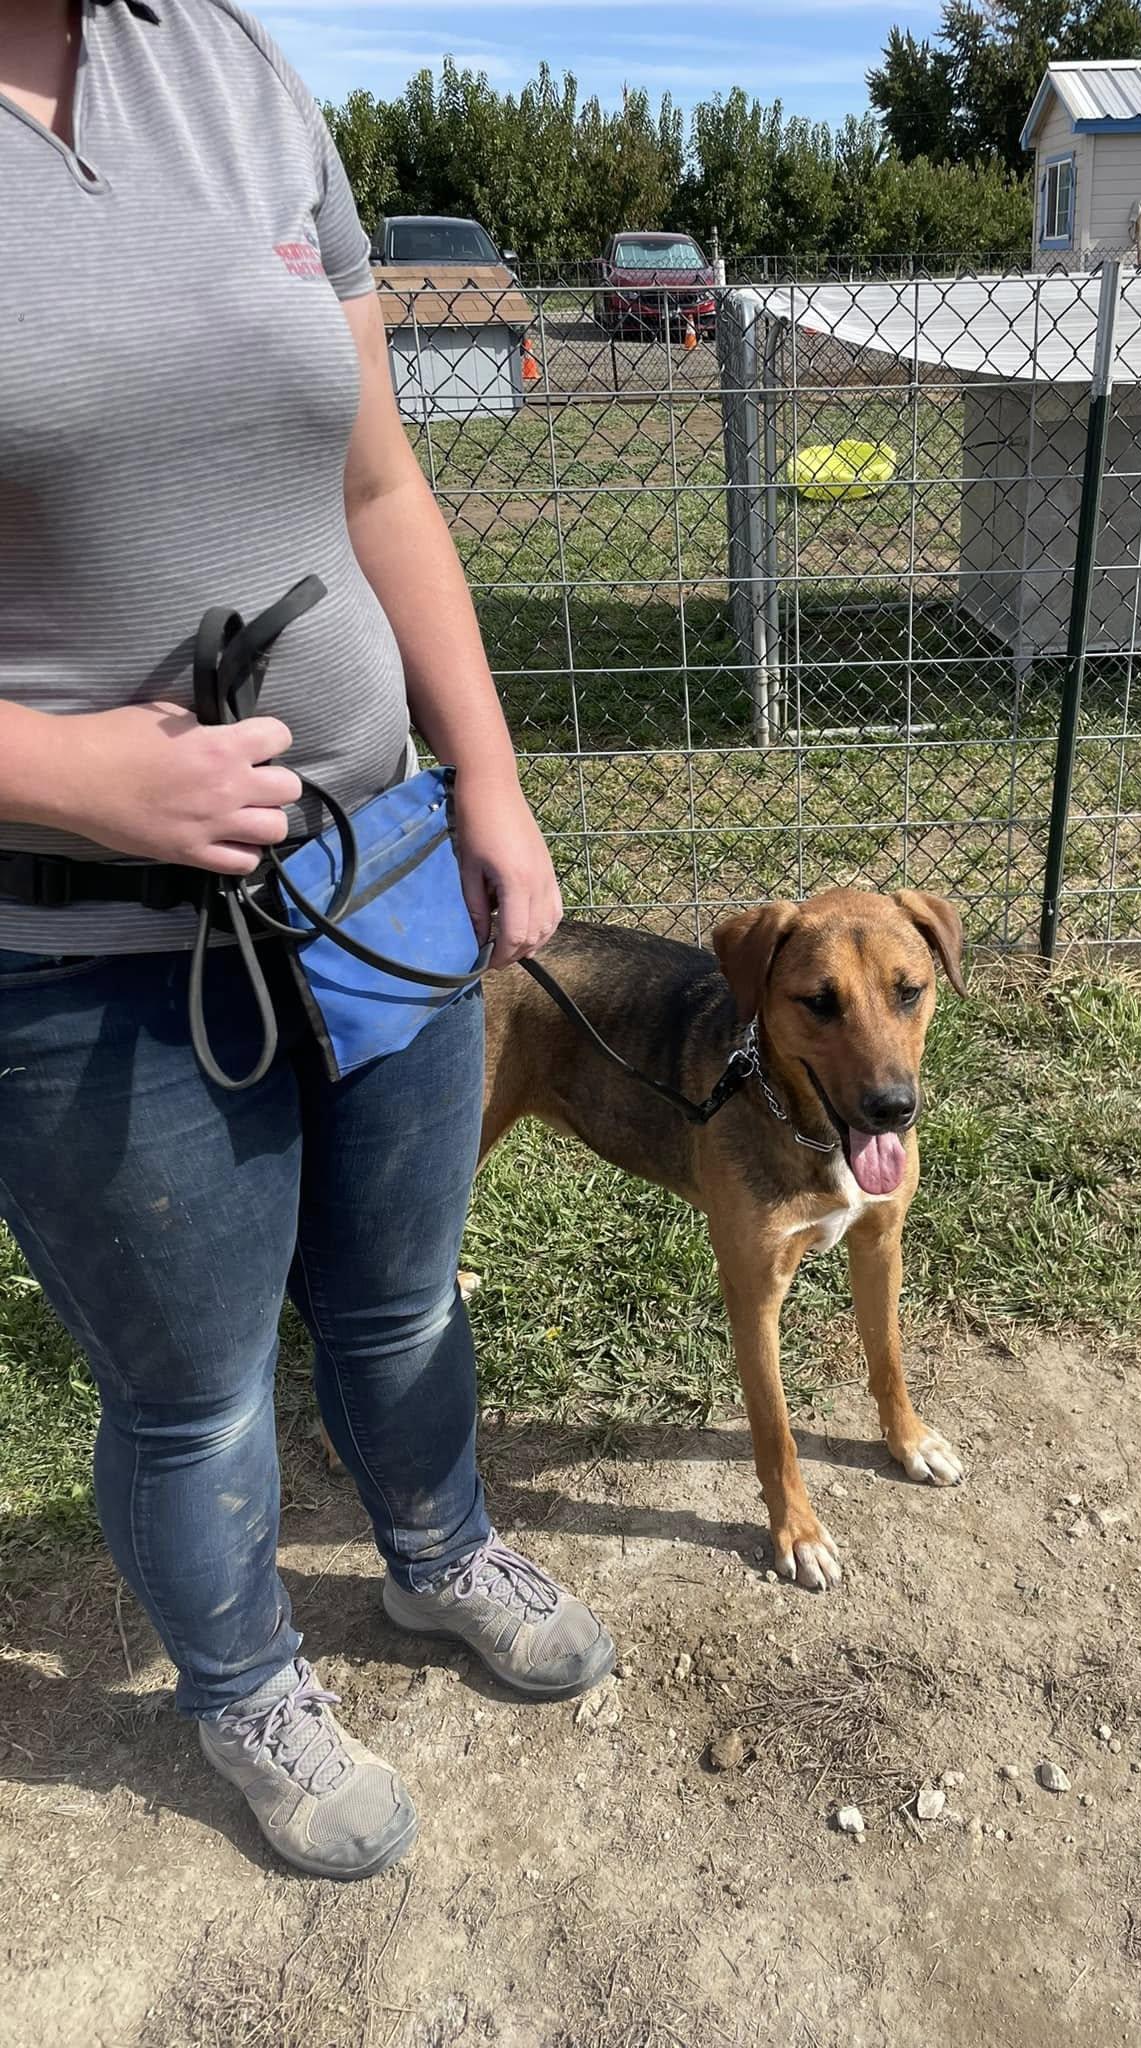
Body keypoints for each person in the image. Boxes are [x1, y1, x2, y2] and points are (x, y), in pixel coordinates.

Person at [0, 0, 615, 1882]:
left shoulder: (236, 67)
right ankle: (247, 1679)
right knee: (191, 1388)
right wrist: (67, 775)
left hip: (371, 872)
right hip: (83, 944)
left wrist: (487, 781)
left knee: (404, 1287)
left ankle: (436, 1554)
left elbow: (378, 488)